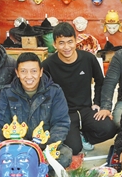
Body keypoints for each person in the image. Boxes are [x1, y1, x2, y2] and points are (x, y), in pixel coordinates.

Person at [42, 22, 117, 154]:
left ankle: (84, 136)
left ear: (76, 41)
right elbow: (43, 92)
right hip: (64, 114)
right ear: (54, 44)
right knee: (74, 148)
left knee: (110, 128)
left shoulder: (88, 59)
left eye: (70, 42)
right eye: (61, 43)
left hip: (86, 110)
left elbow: (100, 81)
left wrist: (98, 103)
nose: (66, 47)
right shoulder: (48, 65)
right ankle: (75, 136)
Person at [0, 52, 72, 169]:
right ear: (17, 73)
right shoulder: (7, 92)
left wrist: (47, 148)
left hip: (43, 147)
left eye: (33, 71)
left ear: (41, 72)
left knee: (64, 156)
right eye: (23, 71)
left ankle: (37, 173)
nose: (29, 76)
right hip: (14, 148)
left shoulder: (55, 92)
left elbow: (61, 123)